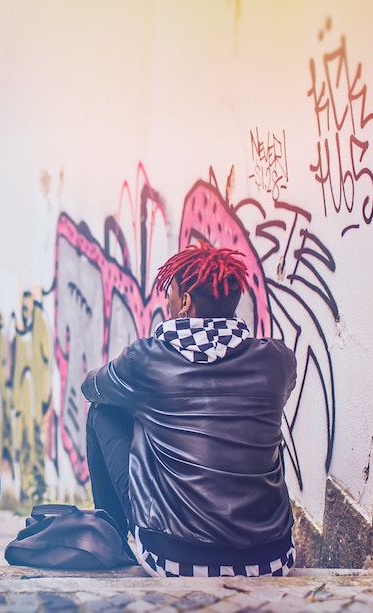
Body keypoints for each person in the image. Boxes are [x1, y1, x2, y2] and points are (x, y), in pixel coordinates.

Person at [81, 241, 298, 578]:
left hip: (174, 557)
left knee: (103, 412)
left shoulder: (147, 359)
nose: (167, 299)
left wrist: (143, 405)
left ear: (184, 301)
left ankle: (114, 542)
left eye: (171, 291)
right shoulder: (278, 361)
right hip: (270, 557)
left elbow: (91, 388)